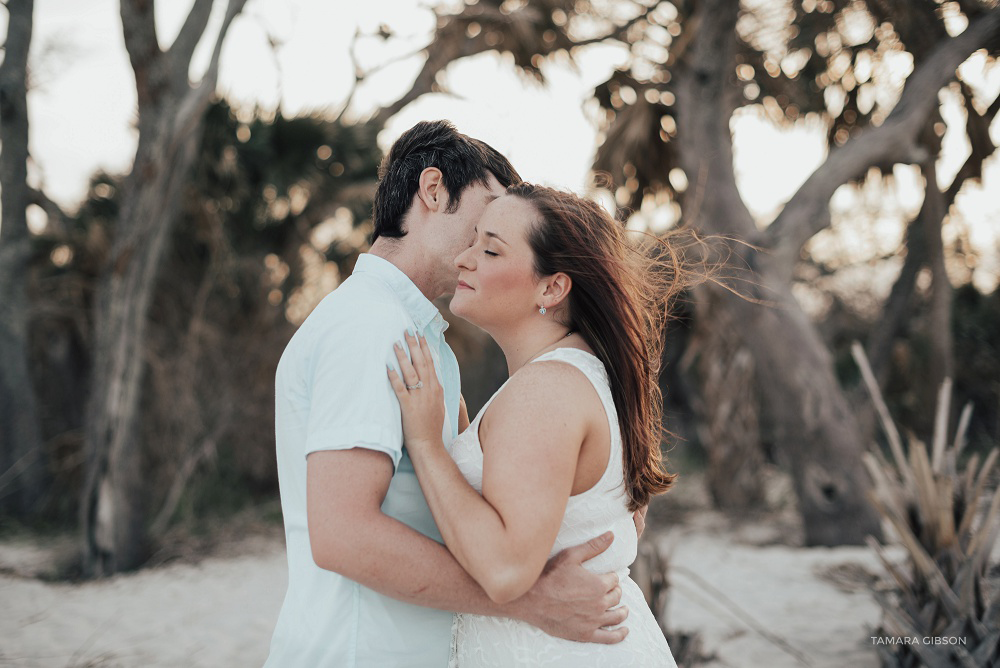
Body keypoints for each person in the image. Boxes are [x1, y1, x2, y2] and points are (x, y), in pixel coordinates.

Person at [264, 122, 632, 667]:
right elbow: (343, 534)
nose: (486, 240)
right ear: (433, 191)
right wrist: (532, 602)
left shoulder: (416, 336)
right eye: (485, 218)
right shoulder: (369, 328)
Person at [386, 182, 682, 666]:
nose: (465, 258)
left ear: (551, 287)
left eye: (490, 249)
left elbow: (504, 571)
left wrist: (427, 445)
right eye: (472, 240)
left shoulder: (546, 389)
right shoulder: (571, 375)